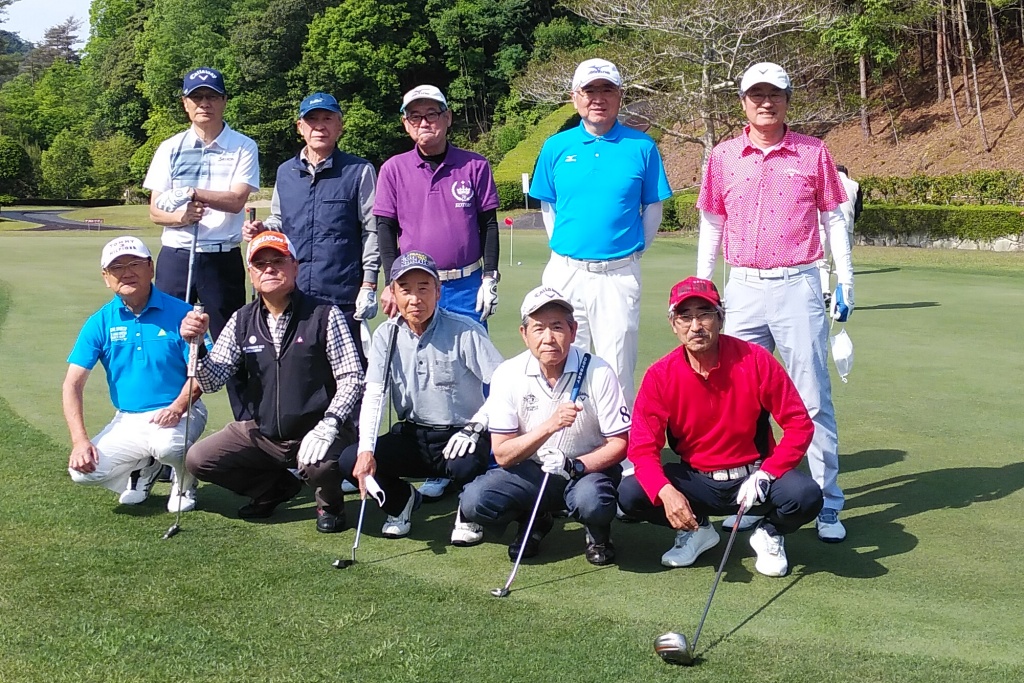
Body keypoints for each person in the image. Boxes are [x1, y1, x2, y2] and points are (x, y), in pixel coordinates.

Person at [695, 62, 853, 542]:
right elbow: (712, 223)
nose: (766, 102)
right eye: (757, 95)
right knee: (736, 398)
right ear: (743, 101)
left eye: (775, 94)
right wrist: (702, 285)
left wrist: (845, 279)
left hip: (797, 284)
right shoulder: (723, 156)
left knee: (811, 398)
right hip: (742, 287)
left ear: (787, 99)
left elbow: (833, 219)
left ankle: (828, 502)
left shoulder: (813, 152)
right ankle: (749, 495)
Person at [618, 277, 824, 577]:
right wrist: (664, 491)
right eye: (685, 317)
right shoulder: (660, 375)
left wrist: (768, 473)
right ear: (673, 324)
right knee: (632, 492)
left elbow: (799, 425)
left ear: (721, 319)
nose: (696, 326)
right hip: (697, 481)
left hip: (754, 478)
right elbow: (642, 448)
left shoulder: (755, 360)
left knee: (806, 496)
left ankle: (769, 532)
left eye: (705, 314)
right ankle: (697, 529)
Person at [180, 231, 363, 532]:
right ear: (251, 273)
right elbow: (212, 381)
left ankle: (330, 505)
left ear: (295, 267)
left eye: (278, 261)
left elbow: (352, 377)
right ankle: (274, 489)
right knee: (199, 459)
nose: (269, 269)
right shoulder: (241, 320)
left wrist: (330, 424)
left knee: (319, 465)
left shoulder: (324, 314)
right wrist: (197, 347)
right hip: (264, 431)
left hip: (319, 427)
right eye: (260, 264)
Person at [373, 84, 501, 500]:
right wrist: (391, 282)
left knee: (473, 373)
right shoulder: (393, 168)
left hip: (465, 283)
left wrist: (490, 276)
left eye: (432, 114)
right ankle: (438, 462)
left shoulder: (474, 165)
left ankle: (485, 456)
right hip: (414, 284)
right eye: (415, 116)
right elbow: (386, 229)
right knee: (420, 370)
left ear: (447, 118)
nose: (424, 122)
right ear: (406, 124)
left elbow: (488, 224)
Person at [529, 57, 673, 404]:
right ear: (574, 97)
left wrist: (633, 252)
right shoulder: (556, 147)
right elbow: (549, 208)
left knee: (617, 366)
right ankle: (565, 433)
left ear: (620, 96)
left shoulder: (642, 147)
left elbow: (652, 208)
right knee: (560, 361)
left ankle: (619, 437)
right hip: (566, 271)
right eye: (589, 91)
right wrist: (565, 250)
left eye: (607, 90)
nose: (598, 98)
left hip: (618, 273)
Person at [458, 287, 630, 565]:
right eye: (538, 328)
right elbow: (502, 454)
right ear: (524, 334)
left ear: (573, 331)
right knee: (475, 500)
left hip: (586, 471)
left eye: (557, 327)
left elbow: (620, 443)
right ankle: (534, 518)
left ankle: (597, 533)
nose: (548, 338)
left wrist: (575, 466)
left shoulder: (598, 371)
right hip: (533, 470)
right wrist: (550, 426)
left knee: (593, 501)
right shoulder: (508, 373)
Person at [339, 251, 504, 540]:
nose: (415, 299)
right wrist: (366, 449)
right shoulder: (385, 335)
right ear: (393, 294)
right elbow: (375, 395)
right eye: (405, 289)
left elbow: (505, 387)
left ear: (438, 291)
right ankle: (402, 501)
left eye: (423, 288)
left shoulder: (465, 330)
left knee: (466, 463)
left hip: (461, 435)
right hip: (413, 436)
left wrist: (476, 427)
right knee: (349, 459)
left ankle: (467, 514)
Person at [144, 66, 260, 420]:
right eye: (196, 97)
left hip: (221, 259)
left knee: (234, 344)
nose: (204, 103)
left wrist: (193, 193)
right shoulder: (170, 148)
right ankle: (161, 423)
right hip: (177, 256)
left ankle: (250, 430)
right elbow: (155, 210)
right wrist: (181, 216)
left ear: (224, 101)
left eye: (212, 96)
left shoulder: (243, 146)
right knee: (166, 341)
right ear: (185, 104)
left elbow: (237, 200)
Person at [64, 236, 208, 512]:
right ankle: (146, 467)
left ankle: (185, 482)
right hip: (128, 418)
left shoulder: (183, 313)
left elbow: (201, 371)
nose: (127, 273)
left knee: (167, 446)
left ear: (151, 268)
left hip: (183, 411)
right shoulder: (100, 322)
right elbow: (72, 384)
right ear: (106, 277)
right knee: (83, 472)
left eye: (134, 264)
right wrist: (79, 441)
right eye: (117, 267)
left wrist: (177, 407)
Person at [243, 92, 379, 364]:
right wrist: (262, 230)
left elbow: (371, 230)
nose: (320, 126)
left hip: (342, 295)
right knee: (299, 374)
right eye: (312, 120)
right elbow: (280, 221)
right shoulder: (285, 172)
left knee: (349, 375)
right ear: (300, 127)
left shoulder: (359, 170)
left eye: (327, 119)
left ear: (339, 126)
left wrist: (369, 283)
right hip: (293, 294)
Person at [818, 165, 862, 302]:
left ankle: (825, 292)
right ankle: (842, 296)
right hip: (847, 226)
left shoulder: (823, 182)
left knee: (822, 262)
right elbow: (858, 209)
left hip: (823, 226)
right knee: (842, 263)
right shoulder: (855, 185)